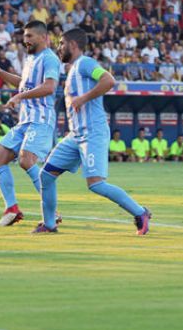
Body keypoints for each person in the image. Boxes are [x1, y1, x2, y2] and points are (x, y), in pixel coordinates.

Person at [38, 28, 151, 235]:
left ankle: (140, 212)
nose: (59, 47)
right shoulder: (72, 69)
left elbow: (108, 80)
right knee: (46, 175)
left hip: (92, 133)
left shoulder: (86, 63)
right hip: (75, 136)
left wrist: (83, 98)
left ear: (73, 45)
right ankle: (49, 224)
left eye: (62, 43)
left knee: (96, 184)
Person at [0, 21, 62, 227]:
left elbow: (49, 86)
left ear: (43, 37)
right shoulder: (30, 59)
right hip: (25, 120)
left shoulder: (50, 58)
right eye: (25, 36)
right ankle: (12, 209)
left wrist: (20, 97)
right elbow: (22, 84)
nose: (25, 40)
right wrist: (0, 72)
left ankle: (52, 211)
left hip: (41, 119)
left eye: (30, 36)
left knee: (26, 160)